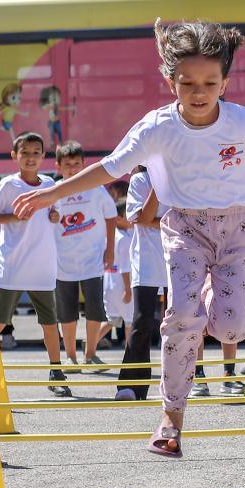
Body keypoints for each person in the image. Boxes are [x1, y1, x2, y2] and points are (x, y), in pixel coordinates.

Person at [11, 19, 245, 459]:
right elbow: (109, 168)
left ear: (225, 83)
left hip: (237, 228)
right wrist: (50, 192)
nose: (199, 92)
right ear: (170, 81)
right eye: (187, 83)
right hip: (183, 228)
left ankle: (215, 295)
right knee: (181, 317)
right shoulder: (156, 128)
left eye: (210, 83)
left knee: (233, 325)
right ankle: (171, 419)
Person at [0, 132, 68, 393]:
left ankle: (56, 372)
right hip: (12, 265)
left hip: (43, 266)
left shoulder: (49, 183)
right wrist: (16, 218)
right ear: (14, 156)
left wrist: (55, 215)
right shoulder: (8, 185)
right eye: (25, 153)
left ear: (44, 156)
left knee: (49, 323)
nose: (31, 158)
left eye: (36, 153)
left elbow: (56, 213)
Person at [52, 140, 118, 370]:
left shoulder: (96, 189)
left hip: (93, 261)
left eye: (77, 164)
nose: (73, 169)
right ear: (58, 166)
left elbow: (111, 217)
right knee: (66, 313)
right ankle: (70, 356)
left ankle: (91, 354)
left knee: (95, 310)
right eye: (68, 164)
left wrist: (110, 251)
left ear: (84, 165)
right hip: (62, 262)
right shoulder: (54, 191)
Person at [112, 167, 168, 402]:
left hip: (178, 256)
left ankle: (182, 382)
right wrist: (159, 184)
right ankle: (132, 385)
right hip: (145, 260)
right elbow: (142, 218)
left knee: (181, 321)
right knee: (142, 320)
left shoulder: (179, 172)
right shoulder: (139, 180)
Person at [102, 199, 135, 349]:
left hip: (109, 283)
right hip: (122, 285)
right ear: (119, 218)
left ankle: (89, 347)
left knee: (112, 320)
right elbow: (125, 267)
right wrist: (128, 289)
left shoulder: (110, 235)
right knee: (129, 322)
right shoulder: (124, 240)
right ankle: (131, 357)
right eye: (129, 215)